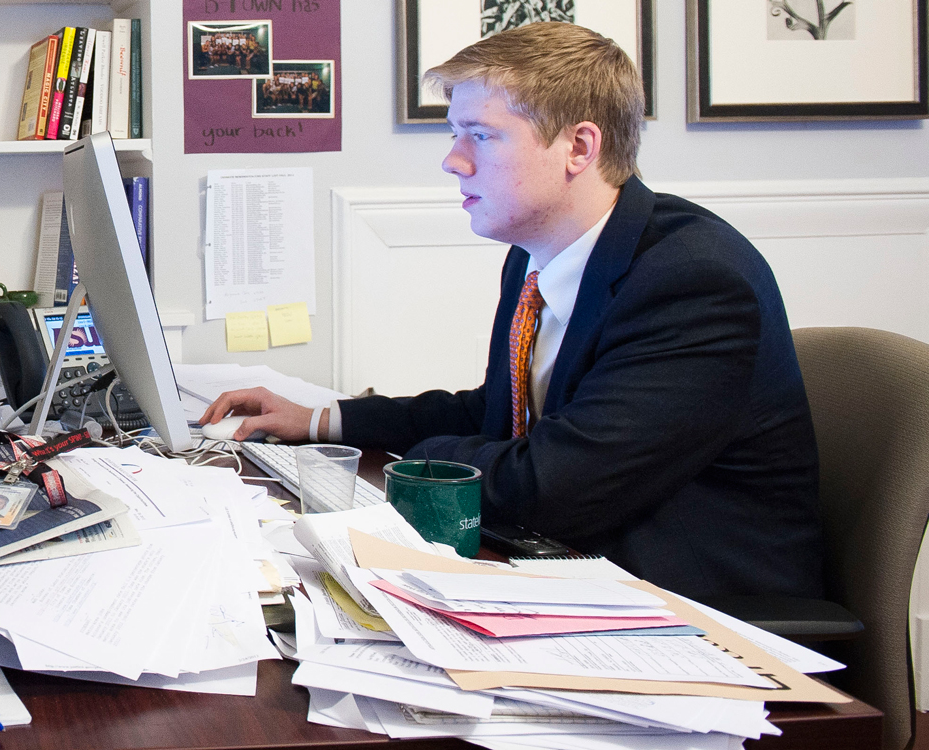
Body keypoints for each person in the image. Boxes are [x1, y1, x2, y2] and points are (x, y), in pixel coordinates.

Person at [203, 23, 823, 599]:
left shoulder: (694, 281)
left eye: (482, 135)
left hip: (696, 607)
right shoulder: (539, 255)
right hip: (577, 561)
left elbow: (550, 487)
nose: (453, 159)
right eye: (455, 133)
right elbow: (498, 413)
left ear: (579, 146)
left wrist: (398, 469)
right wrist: (320, 422)